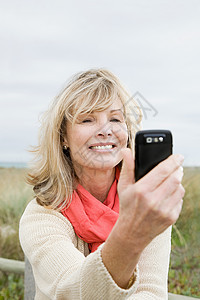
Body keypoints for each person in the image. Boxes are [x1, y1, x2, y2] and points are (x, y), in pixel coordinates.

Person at [19, 69, 185, 300]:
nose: (105, 130)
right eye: (87, 119)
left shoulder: (146, 204)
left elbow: (151, 293)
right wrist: (131, 233)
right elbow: (73, 291)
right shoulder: (41, 216)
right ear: (63, 137)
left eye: (116, 119)